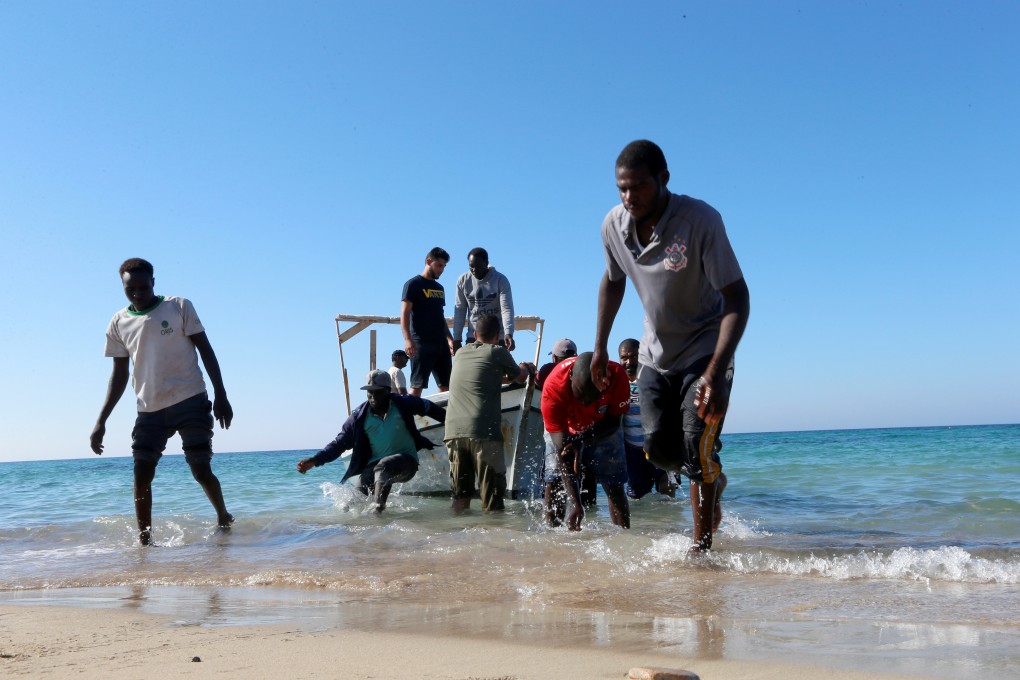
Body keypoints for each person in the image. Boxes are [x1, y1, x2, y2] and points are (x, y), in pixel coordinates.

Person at [592, 140, 750, 552]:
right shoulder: (613, 225)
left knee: (696, 448)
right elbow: (612, 280)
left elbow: (737, 297)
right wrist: (600, 347)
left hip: (705, 353)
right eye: (622, 189)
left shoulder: (700, 220)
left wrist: (717, 370)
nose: (629, 198)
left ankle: (701, 550)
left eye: (639, 187)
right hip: (655, 356)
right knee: (659, 451)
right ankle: (712, 475)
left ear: (664, 179)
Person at [90, 258, 234, 545]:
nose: (138, 293)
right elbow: (119, 376)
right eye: (131, 289)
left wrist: (221, 394)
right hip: (149, 409)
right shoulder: (118, 323)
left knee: (200, 469)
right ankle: (145, 542)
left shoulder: (178, 306)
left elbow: (206, 350)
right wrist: (101, 421)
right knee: (141, 474)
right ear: (123, 287)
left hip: (190, 399)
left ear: (154, 282)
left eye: (144, 287)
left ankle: (223, 516)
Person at [296, 370, 446, 512]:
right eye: (370, 392)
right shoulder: (358, 417)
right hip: (375, 467)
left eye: (378, 392)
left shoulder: (405, 403)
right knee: (352, 504)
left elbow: (435, 411)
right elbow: (339, 444)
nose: (373, 396)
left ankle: (377, 512)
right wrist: (315, 460)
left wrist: (457, 425)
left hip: (407, 462)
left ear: (388, 391)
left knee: (383, 467)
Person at [443, 314, 535, 511]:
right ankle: (493, 540)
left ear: (475, 334)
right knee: (492, 502)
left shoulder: (460, 354)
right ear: (498, 336)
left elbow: (484, 376)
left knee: (460, 498)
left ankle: (453, 538)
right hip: (483, 432)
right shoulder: (497, 352)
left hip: (453, 431)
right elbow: (519, 378)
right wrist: (526, 367)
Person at [540, 352, 631, 531]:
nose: (585, 404)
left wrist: (582, 441)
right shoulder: (553, 389)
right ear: (571, 378)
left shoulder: (616, 375)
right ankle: (552, 538)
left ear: (604, 382)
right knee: (555, 479)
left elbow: (613, 423)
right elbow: (561, 450)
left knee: (614, 482)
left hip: (602, 424)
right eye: (580, 395)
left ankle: (623, 538)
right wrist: (576, 505)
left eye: (592, 398)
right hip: (564, 426)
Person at [618, 338, 676, 499]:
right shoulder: (616, 383)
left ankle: (672, 524)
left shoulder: (654, 378)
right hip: (632, 451)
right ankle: (644, 525)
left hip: (660, 445)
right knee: (637, 496)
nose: (629, 362)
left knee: (667, 487)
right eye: (624, 358)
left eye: (634, 356)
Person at [401, 247, 456, 396]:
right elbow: (405, 314)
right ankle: (410, 418)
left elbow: (440, 316)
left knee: (446, 387)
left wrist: (449, 339)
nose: (442, 269)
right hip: (421, 343)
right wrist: (407, 339)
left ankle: (442, 418)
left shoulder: (439, 288)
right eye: (439, 265)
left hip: (441, 344)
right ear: (428, 262)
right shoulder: (413, 284)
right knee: (417, 386)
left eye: (444, 266)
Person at [452, 247, 515, 352]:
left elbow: (506, 309)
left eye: (478, 266)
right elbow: (460, 310)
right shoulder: (463, 280)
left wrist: (509, 333)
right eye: (471, 266)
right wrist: (457, 338)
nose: (474, 270)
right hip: (473, 337)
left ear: (486, 263)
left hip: (497, 337)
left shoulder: (500, 280)